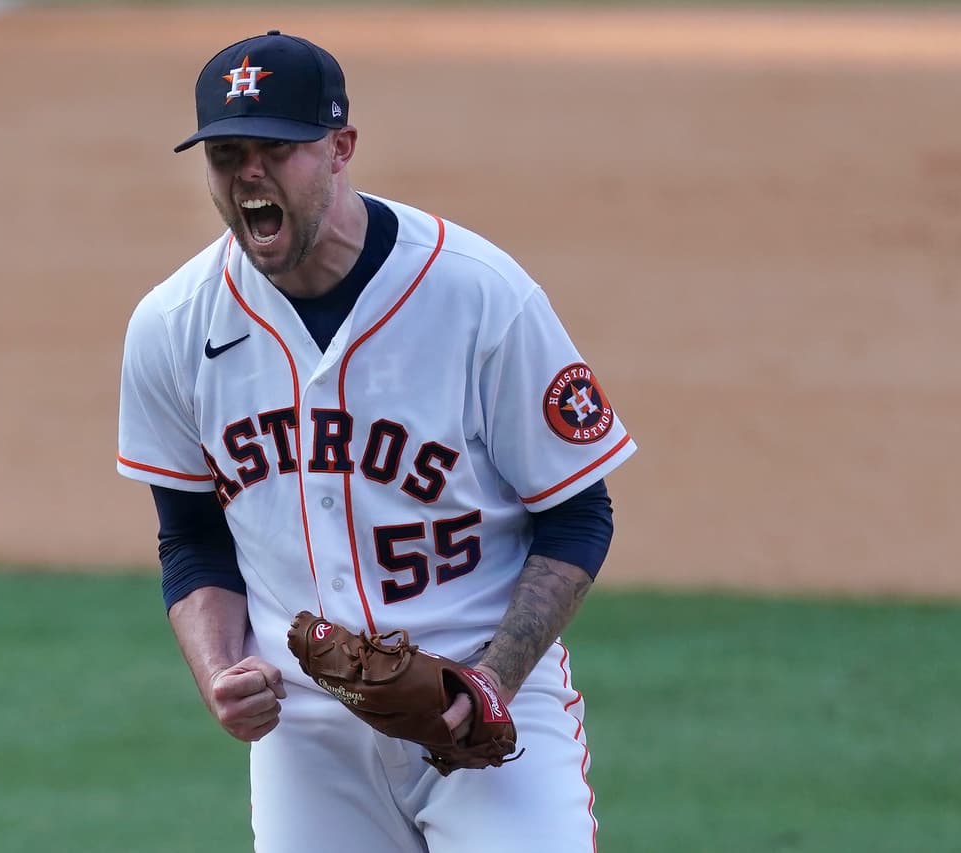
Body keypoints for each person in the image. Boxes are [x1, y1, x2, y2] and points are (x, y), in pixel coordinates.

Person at [117, 29, 636, 852]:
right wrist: (219, 669)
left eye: (276, 149)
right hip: (305, 735)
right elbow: (191, 537)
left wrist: (491, 682)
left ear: (339, 148)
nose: (249, 172)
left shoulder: (479, 296)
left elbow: (579, 513)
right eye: (226, 153)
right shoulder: (173, 327)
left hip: (489, 704)